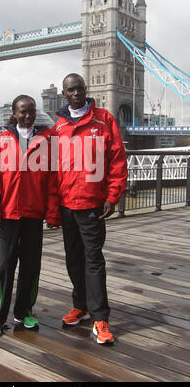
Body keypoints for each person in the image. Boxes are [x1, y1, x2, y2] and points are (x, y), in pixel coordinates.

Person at [52, 73, 127, 344]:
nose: (76, 93)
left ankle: (100, 318)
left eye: (79, 88)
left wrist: (113, 195)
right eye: (70, 90)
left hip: (93, 203)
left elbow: (118, 159)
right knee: (73, 259)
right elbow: (50, 167)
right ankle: (80, 306)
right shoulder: (58, 125)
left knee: (93, 260)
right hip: (66, 204)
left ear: (86, 90)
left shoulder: (104, 119)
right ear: (64, 94)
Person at [0, 95, 60, 337]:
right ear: (14, 114)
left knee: (31, 266)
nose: (28, 116)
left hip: (33, 215)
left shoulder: (48, 142)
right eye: (23, 112)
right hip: (8, 215)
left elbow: (53, 181)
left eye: (32, 111)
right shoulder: (1, 142)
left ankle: (24, 311)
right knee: (4, 266)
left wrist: (53, 212)